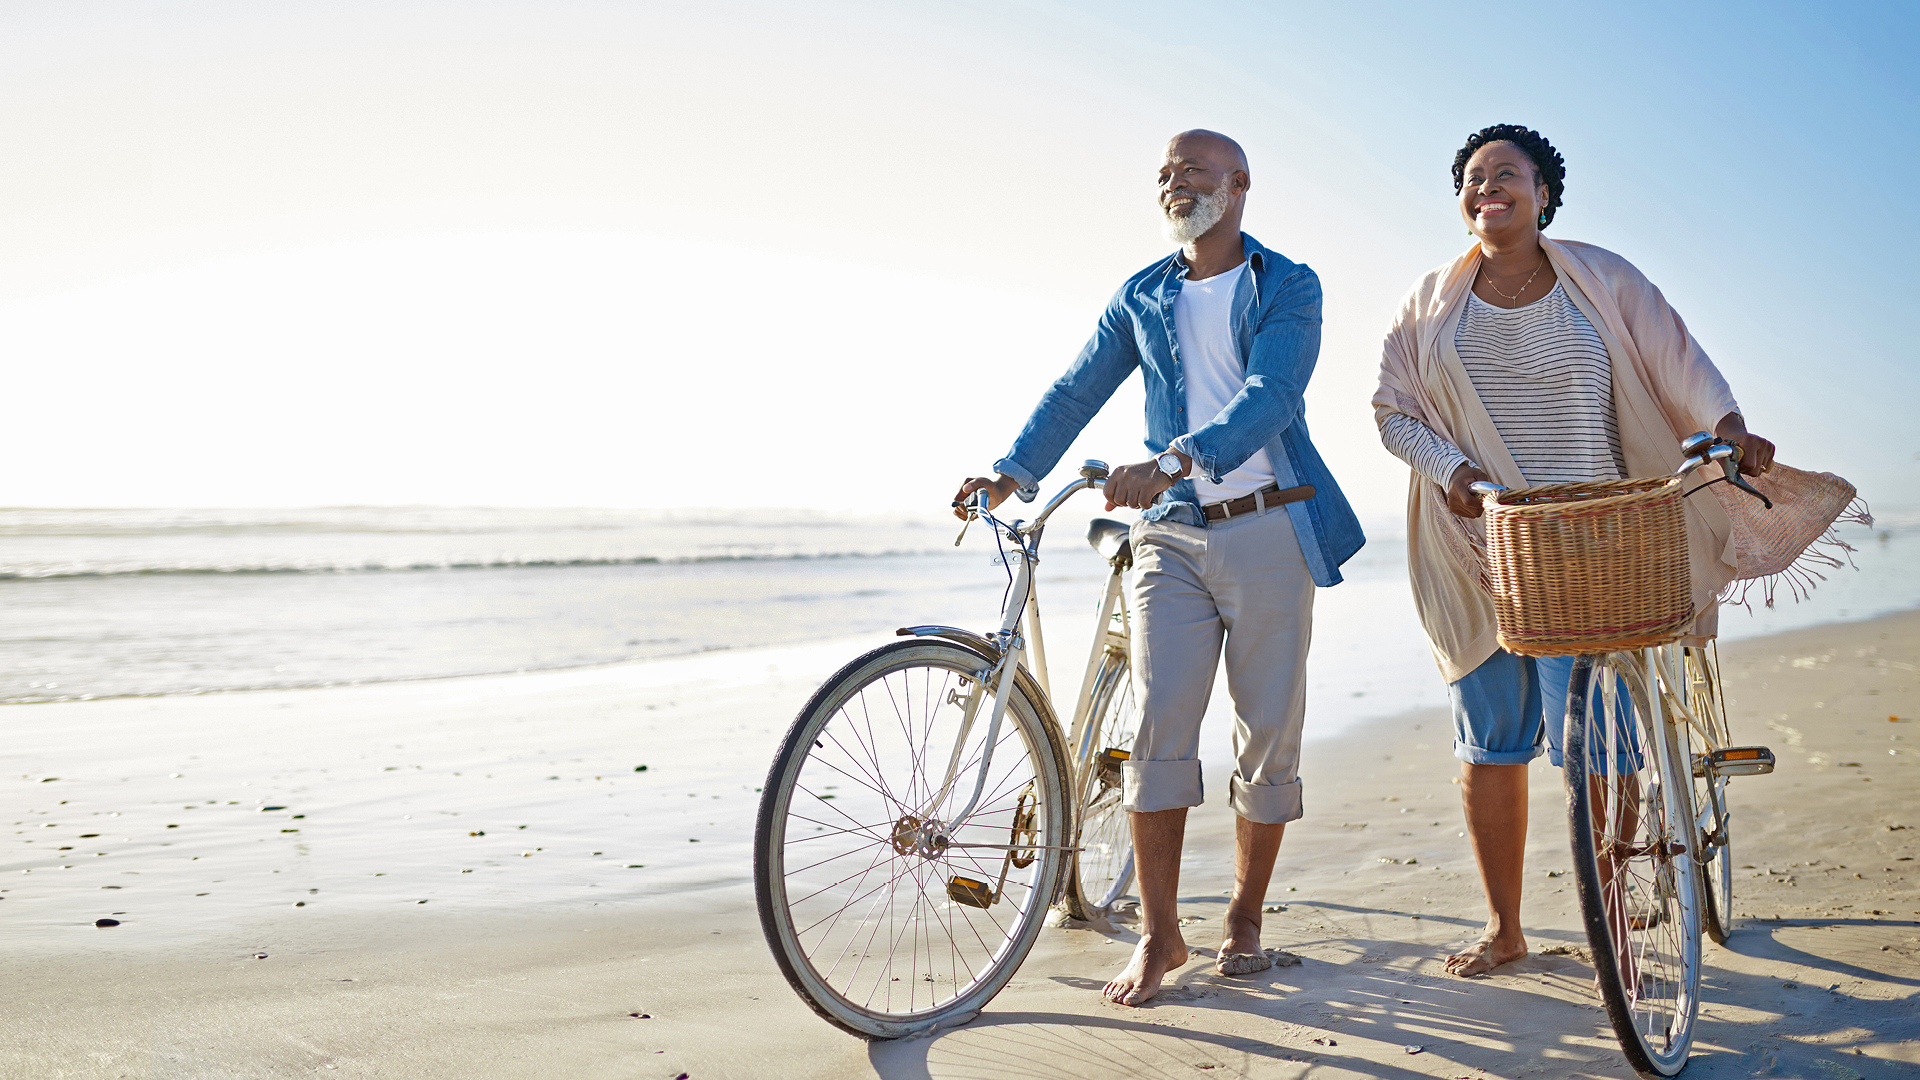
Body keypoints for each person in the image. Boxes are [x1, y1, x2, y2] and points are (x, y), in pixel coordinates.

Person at [954, 130, 1364, 1005]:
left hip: (1270, 529)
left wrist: (1177, 458)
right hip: (1170, 536)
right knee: (1156, 734)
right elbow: (1076, 389)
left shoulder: (1287, 284)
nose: (1173, 180)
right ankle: (1160, 934)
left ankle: (1245, 920)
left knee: (1265, 738)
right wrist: (1013, 471)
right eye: (1164, 172)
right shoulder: (1141, 293)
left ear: (1239, 183)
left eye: (1192, 167)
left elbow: (1273, 394)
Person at [1371, 124, 1774, 977]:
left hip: (1595, 540)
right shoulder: (1427, 303)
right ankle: (1505, 928)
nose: (1488, 189)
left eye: (1506, 175)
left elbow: (1678, 363)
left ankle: (1614, 924)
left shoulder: (1604, 278)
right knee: (1490, 742)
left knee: (1598, 746)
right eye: (1473, 179)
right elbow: (1392, 410)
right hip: (1475, 542)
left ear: (1545, 192)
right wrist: (1455, 472)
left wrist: (1727, 427)